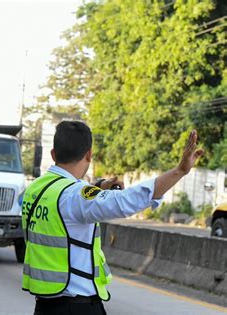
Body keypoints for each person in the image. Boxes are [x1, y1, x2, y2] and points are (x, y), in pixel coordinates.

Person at [21, 121, 204, 315]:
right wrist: (180, 171)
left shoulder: (35, 189)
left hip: (44, 306)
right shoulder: (74, 197)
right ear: (89, 154)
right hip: (77, 307)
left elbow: (72, 199)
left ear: (53, 154)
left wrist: (100, 186)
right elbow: (126, 201)